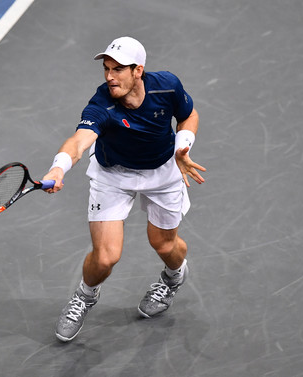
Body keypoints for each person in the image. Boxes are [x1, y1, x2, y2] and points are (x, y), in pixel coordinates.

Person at [42, 36, 206, 342]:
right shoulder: (102, 103)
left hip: (162, 170)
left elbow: (188, 115)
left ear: (138, 70)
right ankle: (84, 296)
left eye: (118, 69)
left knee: (165, 246)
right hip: (113, 175)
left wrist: (183, 147)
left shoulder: (167, 86)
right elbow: (80, 141)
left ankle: (173, 278)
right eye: (106, 68)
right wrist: (58, 167)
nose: (109, 76)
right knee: (105, 257)